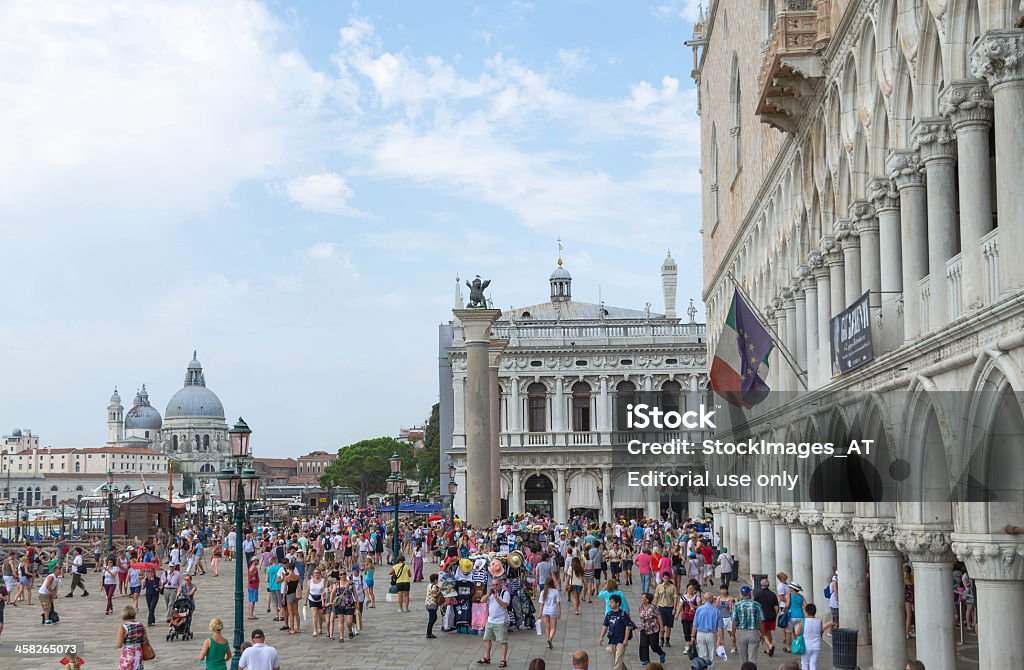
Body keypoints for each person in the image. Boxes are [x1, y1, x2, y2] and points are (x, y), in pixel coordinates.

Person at [478, 578, 510, 668]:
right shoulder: (490, 594)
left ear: (500, 585)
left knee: (502, 641)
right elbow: (482, 600)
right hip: (490, 620)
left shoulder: (505, 593)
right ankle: (487, 657)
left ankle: (503, 660)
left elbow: (505, 605)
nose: (495, 587)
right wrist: (488, 594)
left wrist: (496, 598)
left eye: (496, 585)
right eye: (493, 585)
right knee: (486, 638)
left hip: (501, 621)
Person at [794, 603, 835, 670]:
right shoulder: (819, 621)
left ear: (806, 611)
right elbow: (821, 632)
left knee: (804, 663)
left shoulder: (803, 621)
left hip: (805, 646)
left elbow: (797, 633)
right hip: (816, 645)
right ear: (815, 612)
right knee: (813, 665)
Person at [733, 585, 766, 665]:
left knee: (743, 658)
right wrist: (762, 634)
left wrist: (733, 634)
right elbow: (761, 621)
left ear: (741, 594)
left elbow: (735, 621)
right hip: (753, 632)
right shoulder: (757, 605)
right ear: (750, 594)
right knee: (753, 658)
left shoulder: (737, 605)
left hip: (741, 632)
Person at [598, 594, 633, 670]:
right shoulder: (609, 614)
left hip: (621, 640)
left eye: (612, 602)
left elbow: (628, 627)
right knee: (616, 660)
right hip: (613, 640)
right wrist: (601, 637)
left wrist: (625, 640)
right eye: (610, 602)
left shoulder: (623, 614)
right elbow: (605, 626)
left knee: (618, 660)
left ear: (617, 603)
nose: (610, 604)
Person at [692, 591, 725, 668]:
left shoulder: (699, 609)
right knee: (711, 655)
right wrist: (721, 639)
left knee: (702, 655)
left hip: (700, 633)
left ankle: (702, 668)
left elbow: (695, 624)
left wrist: (692, 636)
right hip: (711, 634)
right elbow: (720, 628)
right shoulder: (716, 611)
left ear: (705, 599)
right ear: (712, 599)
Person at [636, 591, 667, 666]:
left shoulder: (653, 607)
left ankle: (661, 653)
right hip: (644, 628)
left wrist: (662, 627)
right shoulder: (641, 607)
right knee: (643, 644)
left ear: (647, 600)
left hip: (653, 629)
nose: (642, 599)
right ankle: (646, 659)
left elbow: (659, 616)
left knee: (654, 646)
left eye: (643, 598)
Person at [116, 605, 150, 670]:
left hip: (128, 654)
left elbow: (119, 645)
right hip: (139, 653)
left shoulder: (123, 628)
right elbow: (145, 639)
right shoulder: (141, 625)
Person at [754, 578, 779, 656]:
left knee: (763, 633)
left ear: (761, 585)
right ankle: (768, 649)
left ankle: (770, 646)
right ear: (768, 585)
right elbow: (776, 607)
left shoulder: (757, 594)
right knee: (769, 632)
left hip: (762, 617)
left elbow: (755, 606)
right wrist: (775, 615)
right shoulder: (773, 594)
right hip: (771, 616)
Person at [652, 573, 678, 648]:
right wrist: (654, 607)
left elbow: (675, 598)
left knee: (669, 626)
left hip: (669, 607)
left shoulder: (673, 587)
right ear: (662, 578)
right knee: (661, 625)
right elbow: (656, 597)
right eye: (665, 578)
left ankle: (667, 640)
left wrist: (675, 608)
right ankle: (662, 639)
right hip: (661, 607)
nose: (666, 579)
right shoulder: (659, 587)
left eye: (667, 578)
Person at [540, 577, 561, 649]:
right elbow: (558, 604)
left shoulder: (543, 592)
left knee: (547, 627)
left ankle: (548, 642)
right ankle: (550, 639)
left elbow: (541, 604)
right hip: (553, 611)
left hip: (545, 611)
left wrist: (539, 613)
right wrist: (559, 613)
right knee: (553, 628)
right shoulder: (556, 592)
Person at [425, 572, 442, 638]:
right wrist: (439, 590)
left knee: (433, 618)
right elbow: (434, 595)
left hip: (428, 603)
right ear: (435, 580)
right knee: (432, 618)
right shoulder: (434, 586)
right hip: (432, 604)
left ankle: (429, 632)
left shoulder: (429, 585)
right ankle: (429, 633)